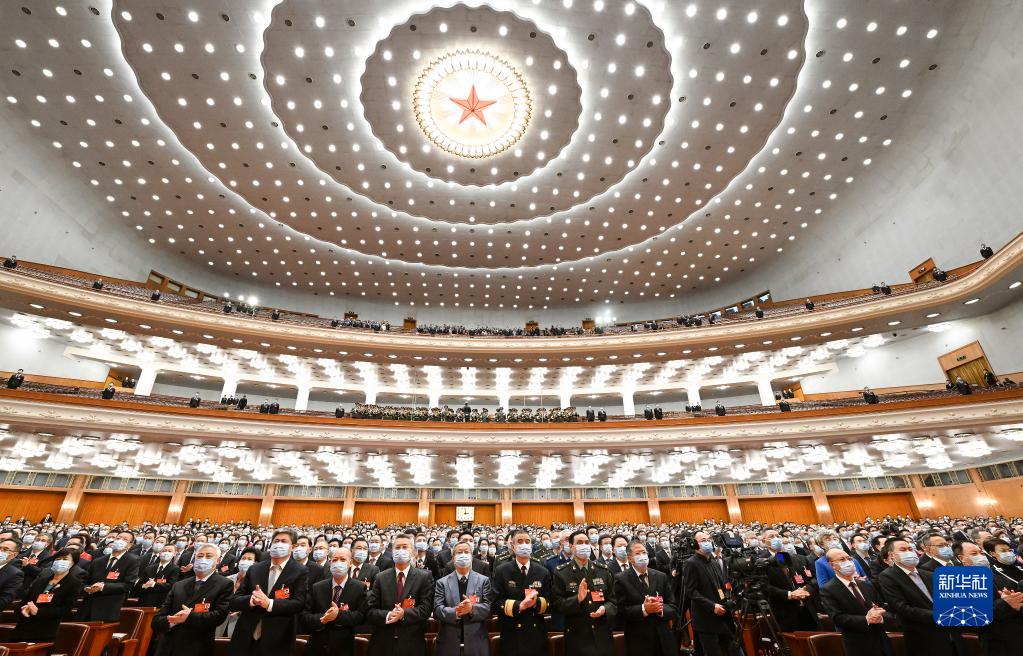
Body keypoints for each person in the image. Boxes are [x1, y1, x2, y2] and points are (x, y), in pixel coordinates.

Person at [877, 538, 966, 656]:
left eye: (910, 549)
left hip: (951, 633)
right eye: (903, 550)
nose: (908, 552)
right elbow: (901, 608)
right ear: (892, 555)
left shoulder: (928, 574)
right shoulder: (887, 576)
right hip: (924, 638)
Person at [227, 529, 308, 655]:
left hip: (277, 639)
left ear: (293, 547)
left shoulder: (300, 571)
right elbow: (234, 601)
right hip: (245, 636)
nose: (278, 544)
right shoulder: (255, 569)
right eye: (276, 541)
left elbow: (299, 603)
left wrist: (269, 603)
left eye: (283, 541)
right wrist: (252, 600)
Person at [152, 542, 233, 656]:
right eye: (200, 556)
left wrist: (189, 616)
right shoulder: (179, 585)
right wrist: (172, 621)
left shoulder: (225, 584)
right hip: (168, 647)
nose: (203, 559)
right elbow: (157, 620)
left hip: (197, 647)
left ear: (218, 560)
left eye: (208, 556)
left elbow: (219, 616)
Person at [365, 533, 434, 656]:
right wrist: (388, 615)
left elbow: (426, 608)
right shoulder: (381, 577)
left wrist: (403, 614)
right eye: (397, 547)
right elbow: (370, 610)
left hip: (411, 642)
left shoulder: (424, 577)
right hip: (383, 643)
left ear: (413, 552)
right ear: (392, 552)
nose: (400, 550)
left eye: (405, 547)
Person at [552, 530, 616, 656]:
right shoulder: (561, 572)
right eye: (580, 543)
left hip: (601, 634)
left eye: (587, 542)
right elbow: (558, 604)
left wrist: (604, 609)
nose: (585, 545)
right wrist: (577, 599)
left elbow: (613, 601)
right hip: (577, 636)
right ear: (572, 547)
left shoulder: (602, 570)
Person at [819, 548, 892, 656]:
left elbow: (881, 606)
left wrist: (880, 616)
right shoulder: (828, 589)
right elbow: (837, 618)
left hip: (881, 640)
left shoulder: (865, 584)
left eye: (849, 558)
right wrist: (866, 619)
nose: (848, 562)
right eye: (842, 559)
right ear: (832, 565)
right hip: (858, 644)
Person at [489, 529, 550, 656]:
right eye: (520, 541)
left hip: (536, 633)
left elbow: (550, 601)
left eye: (527, 541)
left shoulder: (542, 571)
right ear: (513, 546)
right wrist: (519, 606)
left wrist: (535, 603)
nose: (524, 545)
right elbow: (495, 602)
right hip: (511, 632)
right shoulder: (502, 571)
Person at [300, 547, 366, 656]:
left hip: (344, 647)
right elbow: (304, 616)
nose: (338, 563)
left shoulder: (359, 587)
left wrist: (338, 615)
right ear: (330, 563)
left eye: (342, 559)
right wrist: (323, 618)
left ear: (350, 563)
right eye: (334, 560)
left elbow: (361, 616)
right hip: (317, 646)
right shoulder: (317, 587)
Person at [617, 538, 678, 656]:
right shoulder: (621, 579)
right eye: (638, 553)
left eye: (644, 552)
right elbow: (621, 611)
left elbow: (673, 607)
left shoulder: (661, 576)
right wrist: (644, 609)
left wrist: (659, 609)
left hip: (663, 639)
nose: (642, 556)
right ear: (630, 558)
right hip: (638, 640)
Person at [11, 548, 83, 643]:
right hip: (22, 627)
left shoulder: (73, 583)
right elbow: (26, 599)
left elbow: (66, 609)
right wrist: (23, 608)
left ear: (73, 563)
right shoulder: (41, 580)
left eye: (65, 559)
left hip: (43, 632)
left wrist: (39, 611)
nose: (60, 561)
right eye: (58, 559)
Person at [433, 541, 491, 656]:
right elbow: (437, 610)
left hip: (477, 643)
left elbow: (488, 609)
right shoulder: (442, 582)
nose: (463, 555)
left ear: (472, 557)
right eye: (459, 552)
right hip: (448, 644)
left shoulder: (483, 580)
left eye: (466, 552)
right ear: (453, 558)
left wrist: (471, 609)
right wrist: (456, 611)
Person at [138, 542, 181, 608]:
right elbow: (139, 584)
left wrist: (154, 584)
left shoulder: (175, 569)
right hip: (144, 601)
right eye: (164, 551)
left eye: (170, 551)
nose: (166, 553)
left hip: (161, 603)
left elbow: (171, 585)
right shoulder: (149, 568)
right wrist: (144, 585)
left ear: (174, 554)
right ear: (160, 553)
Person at [0, 538, 26, 612]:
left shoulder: (15, 574)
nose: (0, 551)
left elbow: (4, 600)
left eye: (5, 549)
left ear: (14, 554)